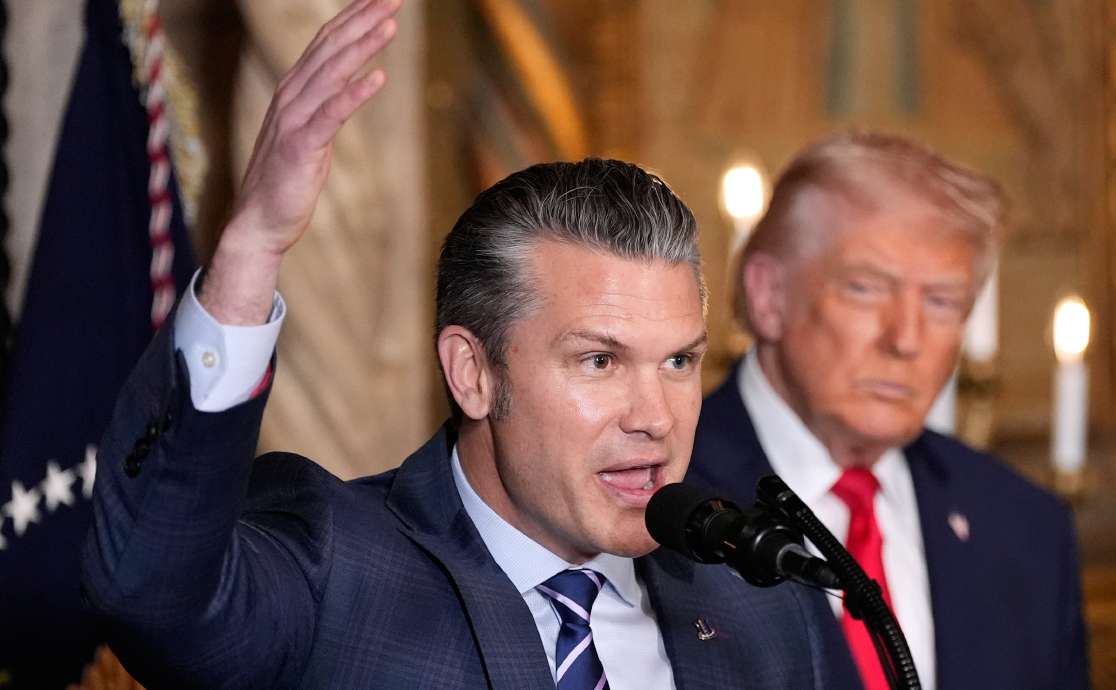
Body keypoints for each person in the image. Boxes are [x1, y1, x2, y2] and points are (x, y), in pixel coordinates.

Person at [81, 1, 833, 688]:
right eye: (599, 361)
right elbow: (150, 589)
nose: (657, 418)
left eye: (678, 361)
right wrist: (253, 247)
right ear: (472, 373)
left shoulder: (760, 604)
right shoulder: (335, 570)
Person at [689, 133, 1090, 690]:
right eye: (866, 288)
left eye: (941, 301)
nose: (906, 339)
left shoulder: (1024, 527)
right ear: (768, 295)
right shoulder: (661, 500)